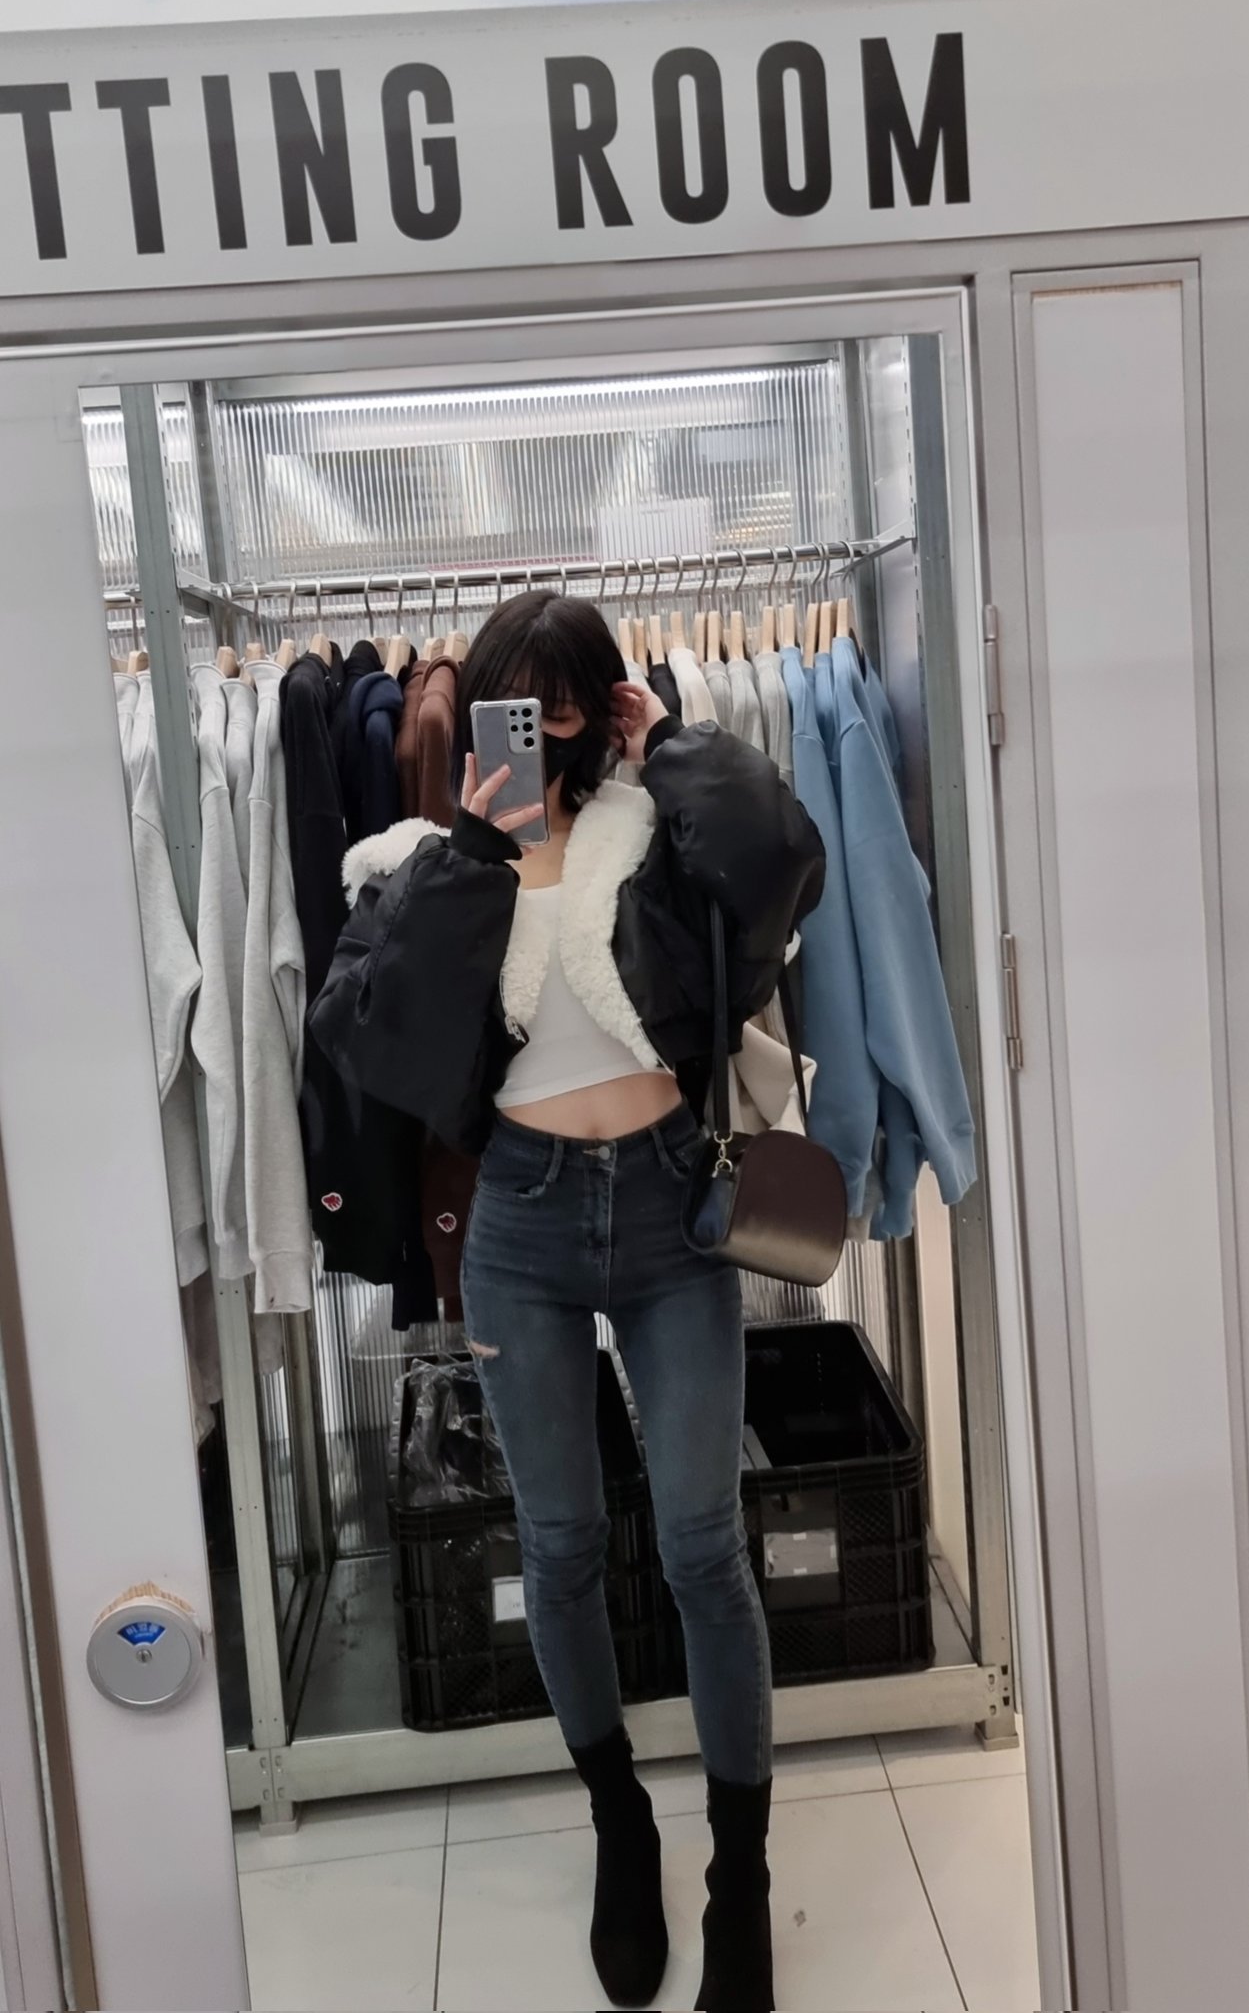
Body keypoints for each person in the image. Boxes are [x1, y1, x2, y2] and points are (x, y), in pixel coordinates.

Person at [310, 591, 825, 2013]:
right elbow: (376, 1039)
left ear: (601, 705)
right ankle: (620, 1824)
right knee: (561, 1543)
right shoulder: (422, 861)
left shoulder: (657, 827)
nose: (540, 729)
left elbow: (785, 869)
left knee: (703, 1542)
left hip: (669, 1210)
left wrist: (677, 748)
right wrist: (478, 855)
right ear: (481, 704)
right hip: (523, 1224)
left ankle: (737, 1870)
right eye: (514, 704)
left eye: (566, 703)